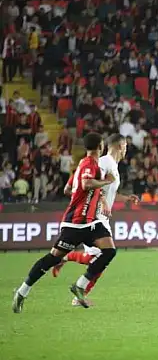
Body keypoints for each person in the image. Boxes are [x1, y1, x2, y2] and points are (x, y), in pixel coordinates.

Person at [12, 133, 117, 313]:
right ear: (100, 147)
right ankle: (22, 292)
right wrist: (105, 182)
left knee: (109, 251)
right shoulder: (88, 164)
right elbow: (85, 184)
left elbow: (69, 188)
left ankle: (80, 285)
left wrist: (85, 200)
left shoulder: (85, 166)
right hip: (75, 224)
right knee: (52, 258)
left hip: (90, 223)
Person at [52, 134, 138, 306]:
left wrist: (125, 198)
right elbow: (89, 185)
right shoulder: (105, 162)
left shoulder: (114, 166)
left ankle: (75, 281)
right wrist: (103, 201)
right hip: (92, 215)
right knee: (103, 255)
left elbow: (108, 192)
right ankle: (78, 291)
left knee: (99, 259)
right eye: (126, 145)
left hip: (102, 217)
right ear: (120, 146)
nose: (127, 149)